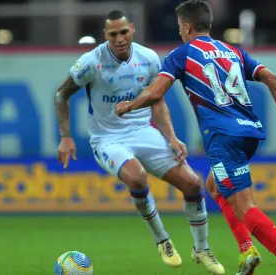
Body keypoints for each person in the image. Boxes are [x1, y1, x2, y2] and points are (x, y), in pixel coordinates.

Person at [115, 1, 276, 274]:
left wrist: (129, 105)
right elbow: (274, 81)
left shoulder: (182, 54)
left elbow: (155, 92)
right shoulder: (233, 51)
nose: (180, 32)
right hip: (249, 133)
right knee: (215, 187)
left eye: (180, 27)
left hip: (222, 137)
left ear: (187, 26)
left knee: (244, 205)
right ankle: (247, 251)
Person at [54, 9, 225, 275]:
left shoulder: (148, 58)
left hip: (144, 131)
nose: (120, 38)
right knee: (137, 178)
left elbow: (157, 100)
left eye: (124, 32)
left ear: (132, 29)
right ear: (105, 36)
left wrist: (171, 138)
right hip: (107, 139)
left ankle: (201, 248)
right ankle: (162, 240)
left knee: (193, 184)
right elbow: (61, 94)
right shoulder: (91, 61)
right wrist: (66, 137)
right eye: (113, 34)